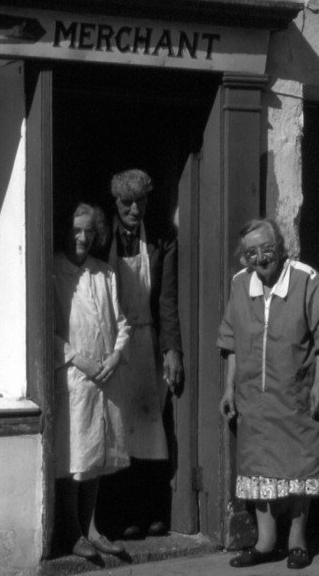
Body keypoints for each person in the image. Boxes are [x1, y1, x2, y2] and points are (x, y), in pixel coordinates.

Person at [218, 218, 319, 570]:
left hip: (297, 392)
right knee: (259, 464)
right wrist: (228, 388)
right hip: (253, 394)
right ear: (244, 258)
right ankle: (266, 542)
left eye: (267, 249)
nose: (261, 258)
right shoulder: (240, 284)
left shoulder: (306, 279)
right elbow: (231, 340)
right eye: (252, 253)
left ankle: (297, 542)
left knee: (301, 462)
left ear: (281, 247)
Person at [102, 168, 184, 539]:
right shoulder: (104, 236)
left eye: (140, 202)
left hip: (148, 339)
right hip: (113, 343)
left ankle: (154, 512)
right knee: (119, 430)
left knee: (152, 428)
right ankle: (121, 516)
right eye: (126, 203)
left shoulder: (162, 237)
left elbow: (166, 299)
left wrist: (172, 350)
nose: (134, 210)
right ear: (115, 203)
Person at [53, 202, 132, 559]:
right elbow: (46, 330)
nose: (82, 237)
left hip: (105, 378)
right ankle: (71, 530)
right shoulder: (53, 271)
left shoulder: (104, 274)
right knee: (74, 456)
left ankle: (92, 527)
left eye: (88, 230)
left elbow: (123, 323)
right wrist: (77, 359)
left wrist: (115, 356)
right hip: (73, 379)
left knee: (96, 455)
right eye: (75, 230)